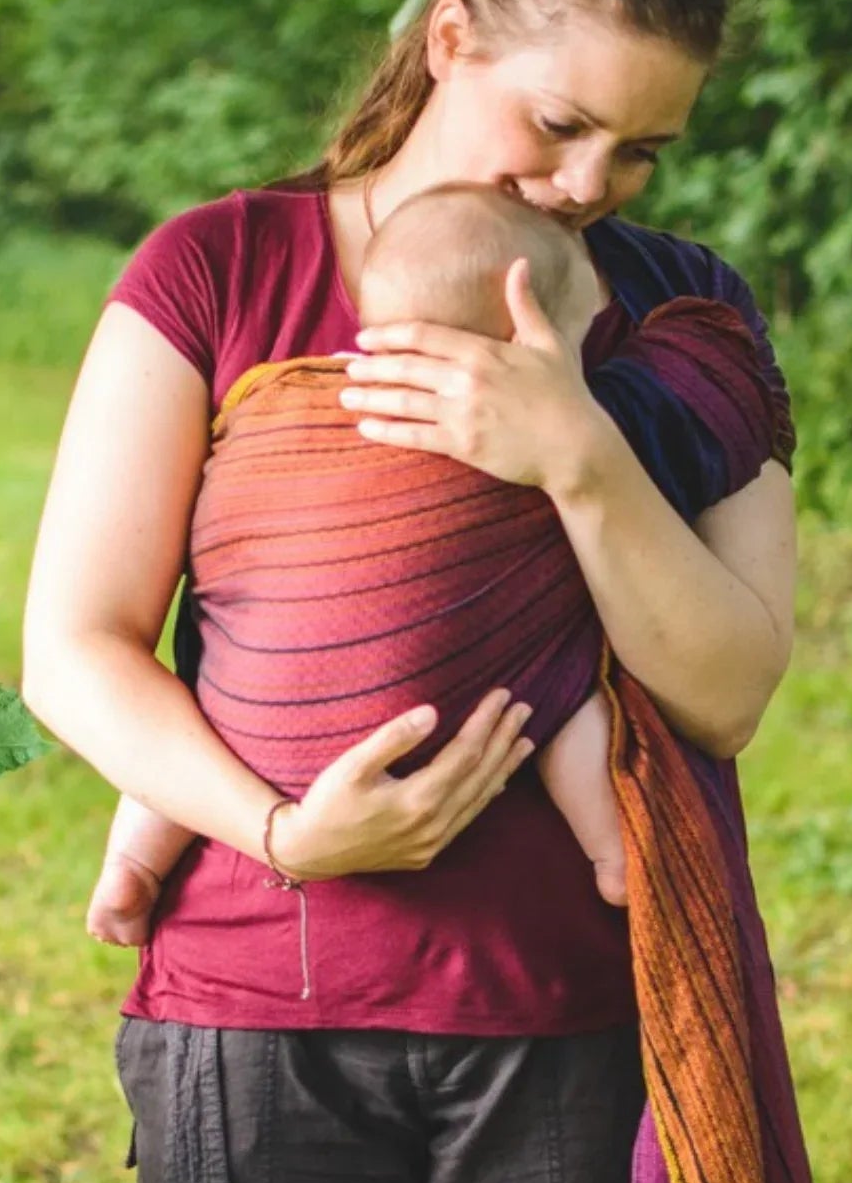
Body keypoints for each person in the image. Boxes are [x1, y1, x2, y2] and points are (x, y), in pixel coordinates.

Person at [22, 0, 852, 1183]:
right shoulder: (221, 271)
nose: (590, 188)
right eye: (563, 127)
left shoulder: (677, 318)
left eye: (644, 149)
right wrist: (281, 834)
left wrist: (580, 456)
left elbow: (725, 687)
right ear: (452, 40)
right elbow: (78, 645)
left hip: (564, 1026)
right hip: (255, 1025)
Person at [84, 181, 637, 952]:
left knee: (206, 694)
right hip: (434, 717)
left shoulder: (291, 396)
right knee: (568, 689)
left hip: (249, 728)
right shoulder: (511, 435)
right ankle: (613, 856)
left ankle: (132, 861)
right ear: (522, 329)